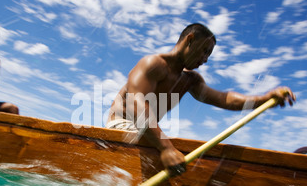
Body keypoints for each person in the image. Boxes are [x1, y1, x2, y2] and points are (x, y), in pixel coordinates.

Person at [106, 23, 296, 177]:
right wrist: (166, 148)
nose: (205, 59)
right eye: (204, 51)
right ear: (190, 40)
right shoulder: (154, 64)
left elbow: (225, 99)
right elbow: (136, 104)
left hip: (146, 132)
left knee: (180, 151)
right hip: (121, 128)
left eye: (209, 54)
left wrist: (264, 99)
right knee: (173, 148)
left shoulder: (190, 80)